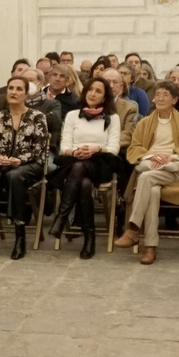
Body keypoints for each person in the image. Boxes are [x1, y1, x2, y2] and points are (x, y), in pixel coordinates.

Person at [114, 81, 179, 263]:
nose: (160, 98)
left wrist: (171, 157)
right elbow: (134, 148)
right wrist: (151, 156)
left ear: (175, 100)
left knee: (146, 178)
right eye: (158, 94)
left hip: (175, 169)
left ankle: (133, 229)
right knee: (152, 188)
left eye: (165, 95)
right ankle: (150, 247)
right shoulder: (144, 122)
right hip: (151, 165)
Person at [0, 76, 50, 260]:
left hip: (29, 164)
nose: (13, 92)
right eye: (11, 88)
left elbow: (39, 148)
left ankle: (20, 236)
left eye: (18, 89)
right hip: (0, 163)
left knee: (15, 176)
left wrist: (19, 160)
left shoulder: (37, 117)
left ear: (26, 94)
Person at [46, 76, 122, 258]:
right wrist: (75, 152)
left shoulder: (112, 118)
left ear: (105, 97)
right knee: (84, 183)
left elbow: (114, 148)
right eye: (90, 90)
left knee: (80, 169)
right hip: (74, 161)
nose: (92, 94)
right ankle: (89, 237)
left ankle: (62, 216)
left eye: (98, 91)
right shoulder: (73, 115)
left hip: (101, 162)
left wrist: (96, 149)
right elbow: (64, 146)